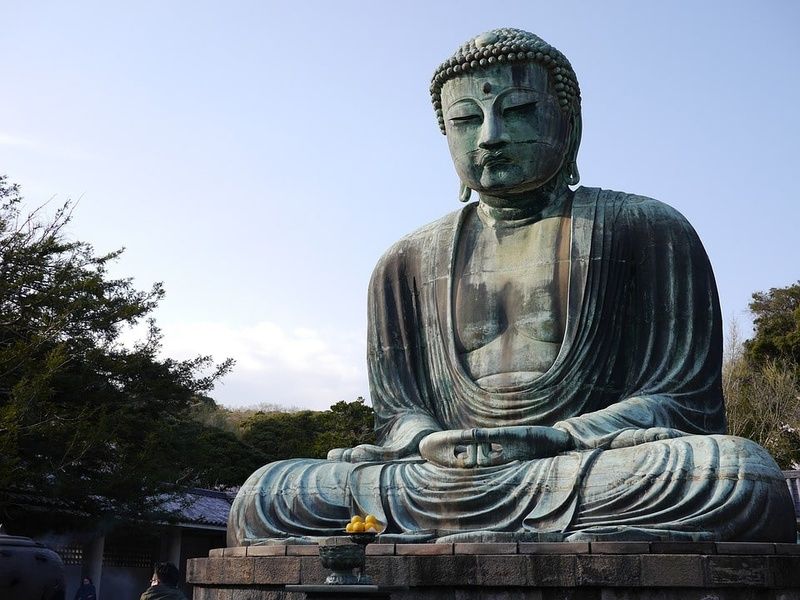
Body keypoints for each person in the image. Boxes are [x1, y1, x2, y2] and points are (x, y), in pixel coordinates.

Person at [228, 28, 795, 544]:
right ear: (445, 136)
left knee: (734, 475)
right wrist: (425, 439)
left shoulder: (647, 229)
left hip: (584, 463)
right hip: (440, 476)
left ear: (568, 124)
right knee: (268, 494)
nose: (491, 136)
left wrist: (560, 437)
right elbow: (399, 414)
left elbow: (681, 402)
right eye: (467, 120)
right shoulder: (402, 263)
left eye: (518, 111)